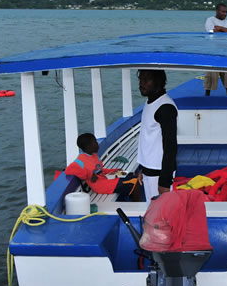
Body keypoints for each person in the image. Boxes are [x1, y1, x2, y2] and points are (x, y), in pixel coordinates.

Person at [137, 69, 178, 204]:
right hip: (150, 169)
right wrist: (143, 168)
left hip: (159, 173)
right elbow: (148, 139)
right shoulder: (150, 102)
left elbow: (170, 146)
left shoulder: (165, 108)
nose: (141, 83)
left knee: (160, 218)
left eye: (146, 80)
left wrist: (165, 182)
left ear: (159, 82)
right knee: (153, 212)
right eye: (140, 79)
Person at [65, 133, 143, 201]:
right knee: (135, 182)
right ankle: (137, 205)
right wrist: (90, 174)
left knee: (133, 175)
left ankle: (129, 197)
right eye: (95, 142)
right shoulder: (81, 160)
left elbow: (100, 170)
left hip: (106, 178)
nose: (97, 144)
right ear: (88, 146)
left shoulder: (94, 155)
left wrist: (113, 171)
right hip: (102, 186)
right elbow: (69, 170)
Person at [204, 3, 227, 96]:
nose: (225, 14)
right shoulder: (210, 20)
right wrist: (226, 31)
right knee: (211, 76)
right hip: (213, 52)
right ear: (217, 11)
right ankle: (207, 95)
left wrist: (220, 28)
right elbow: (210, 31)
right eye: (223, 12)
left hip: (226, 52)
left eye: (226, 12)